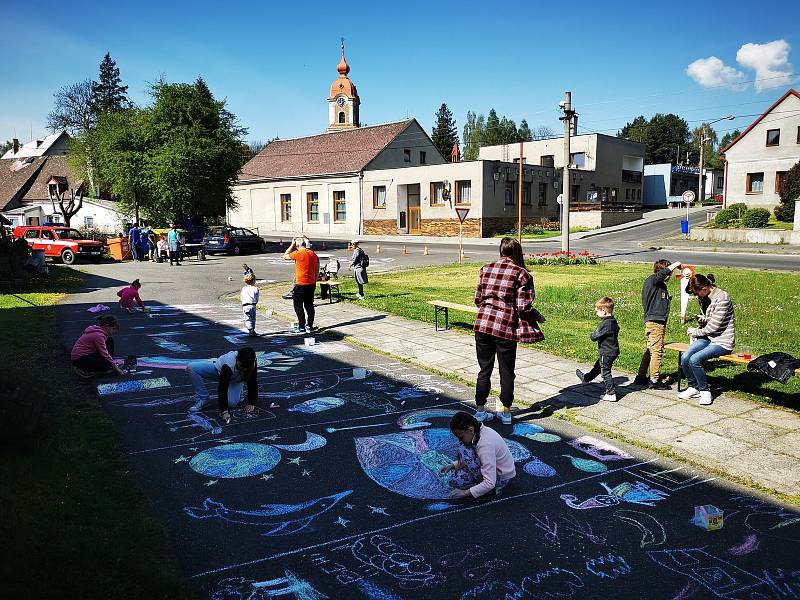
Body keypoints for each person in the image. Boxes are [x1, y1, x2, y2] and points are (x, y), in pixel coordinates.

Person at [473, 237, 536, 425]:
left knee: (484, 369)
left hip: (483, 324)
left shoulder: (486, 268)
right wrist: (536, 316)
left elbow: (478, 298)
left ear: (501, 251)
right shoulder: (522, 274)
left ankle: (480, 410)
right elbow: (523, 306)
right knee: (507, 371)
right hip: (505, 327)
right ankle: (506, 412)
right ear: (517, 253)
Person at [679, 274, 735, 406]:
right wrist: (703, 319)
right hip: (708, 338)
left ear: (705, 288)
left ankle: (705, 391)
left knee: (695, 359)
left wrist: (695, 331)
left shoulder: (722, 299)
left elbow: (714, 327)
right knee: (685, 357)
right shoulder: (707, 297)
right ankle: (694, 387)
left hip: (722, 341)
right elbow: (711, 320)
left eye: (698, 293)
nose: (697, 296)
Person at [440, 411, 516, 499]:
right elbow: (472, 458)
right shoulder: (477, 432)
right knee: (453, 481)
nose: (460, 441)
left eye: (461, 437)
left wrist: (465, 493)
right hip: (492, 470)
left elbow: (490, 482)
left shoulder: (485, 445)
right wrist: (453, 465)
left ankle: (488, 489)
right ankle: (480, 485)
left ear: (471, 430)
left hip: (500, 477)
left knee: (466, 450)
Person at [634, 259, 682, 389]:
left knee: (650, 349)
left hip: (656, 322)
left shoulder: (660, 285)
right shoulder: (652, 280)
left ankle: (640, 376)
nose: (670, 276)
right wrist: (676, 265)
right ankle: (654, 380)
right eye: (669, 273)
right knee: (657, 351)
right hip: (655, 323)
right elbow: (662, 274)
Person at [187, 348, 258, 424]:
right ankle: (204, 399)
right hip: (219, 371)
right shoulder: (229, 363)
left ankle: (239, 391)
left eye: (246, 368)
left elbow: (253, 382)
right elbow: (222, 388)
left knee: (231, 404)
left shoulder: (252, 363)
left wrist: (251, 402)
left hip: (237, 379)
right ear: (237, 359)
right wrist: (224, 411)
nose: (244, 368)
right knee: (192, 367)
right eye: (241, 365)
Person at [576, 297, 620, 402]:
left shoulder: (605, 324)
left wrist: (593, 334)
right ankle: (586, 378)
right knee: (598, 366)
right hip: (613, 351)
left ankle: (611, 393)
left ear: (603, 311)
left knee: (605, 372)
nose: (596, 313)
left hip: (607, 352)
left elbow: (594, 337)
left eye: (597, 311)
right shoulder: (613, 321)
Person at [284, 236, 319, 333]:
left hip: (301, 283)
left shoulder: (298, 253)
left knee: (298, 305)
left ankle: (302, 326)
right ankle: (310, 326)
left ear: (297, 245)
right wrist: (314, 281)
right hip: (311, 283)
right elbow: (317, 269)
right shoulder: (313, 254)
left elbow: (285, 256)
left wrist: (291, 245)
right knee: (309, 305)